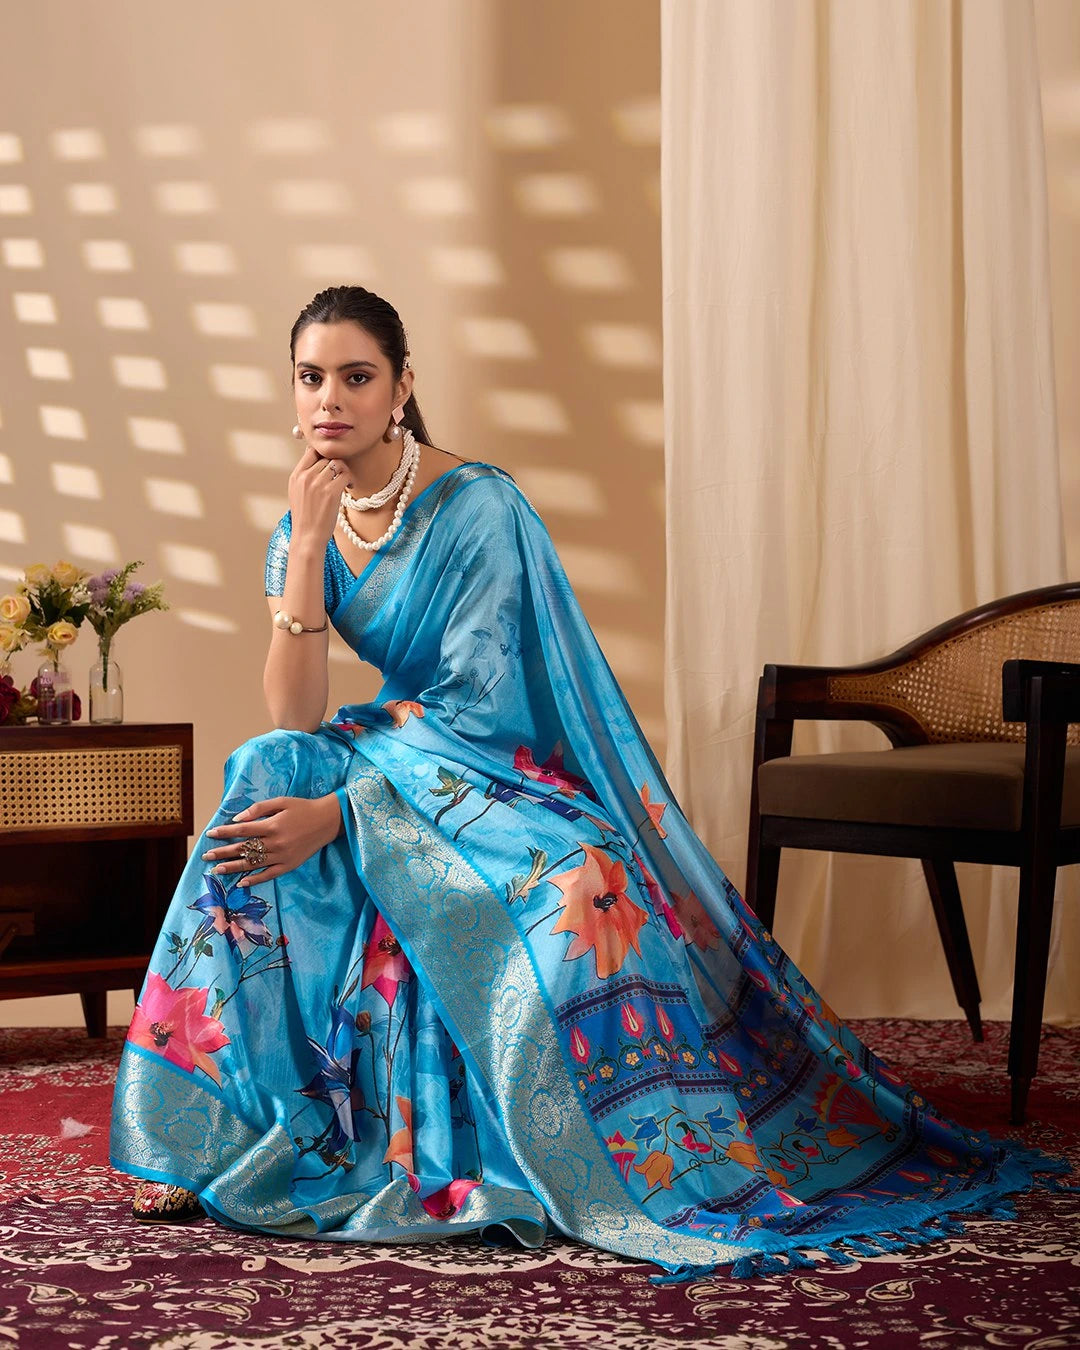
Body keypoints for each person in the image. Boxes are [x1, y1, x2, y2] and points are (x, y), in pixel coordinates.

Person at [110, 285, 1068, 1280]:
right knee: (261, 769)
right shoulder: (301, 526)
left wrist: (345, 815)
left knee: (580, 880)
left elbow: (485, 708)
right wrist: (306, 549)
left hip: (498, 771)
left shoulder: (477, 503)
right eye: (311, 379)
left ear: (402, 388)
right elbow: (293, 716)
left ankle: (554, 1148)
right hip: (400, 750)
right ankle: (205, 1132)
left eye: (357, 377)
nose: (331, 400)